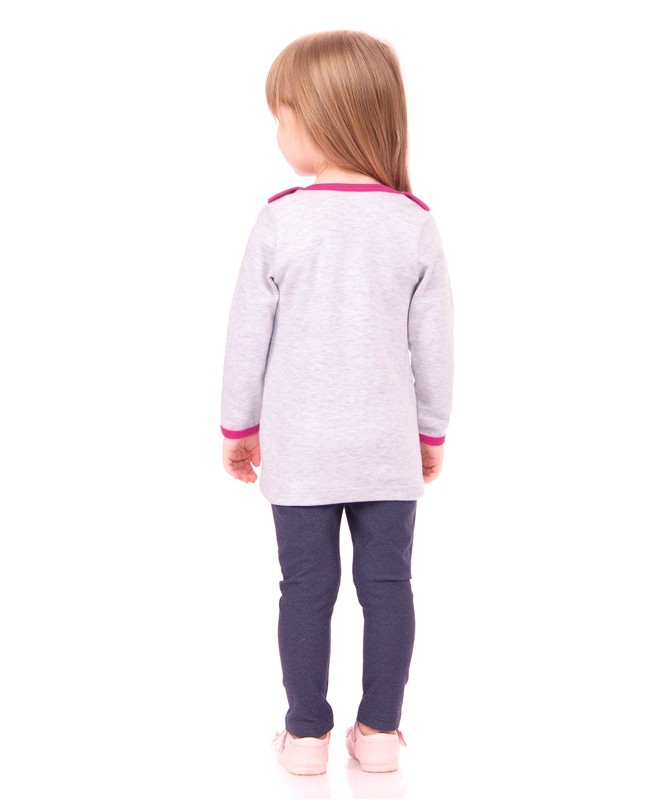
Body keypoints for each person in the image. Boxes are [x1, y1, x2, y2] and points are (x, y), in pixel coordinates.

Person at [220, 30, 454, 776]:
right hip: (385, 448)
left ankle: (305, 738)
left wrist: (238, 428)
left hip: (301, 448)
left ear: (320, 119)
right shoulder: (413, 221)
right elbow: (434, 347)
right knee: (387, 587)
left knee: (305, 588)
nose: (278, 133)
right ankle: (379, 735)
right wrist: (430, 435)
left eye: (282, 116)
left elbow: (246, 338)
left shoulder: (281, 219)